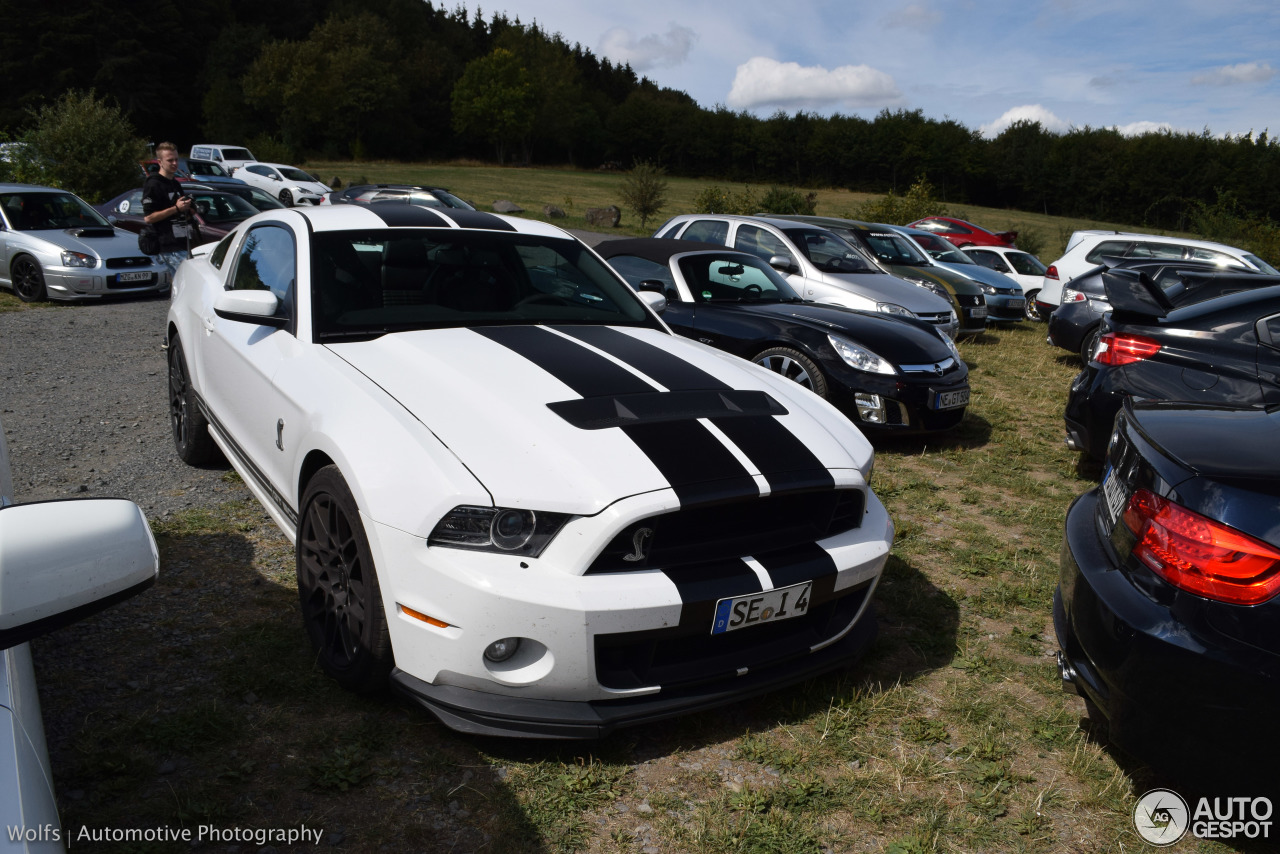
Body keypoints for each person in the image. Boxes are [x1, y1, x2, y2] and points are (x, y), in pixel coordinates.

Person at [141, 142, 196, 276]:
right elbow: (149, 218)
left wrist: (188, 209)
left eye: (176, 159)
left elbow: (180, 208)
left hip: (183, 240)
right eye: (170, 160)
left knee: (188, 281)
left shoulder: (175, 183)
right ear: (160, 162)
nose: (174, 163)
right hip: (168, 244)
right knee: (186, 280)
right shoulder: (153, 184)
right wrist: (175, 209)